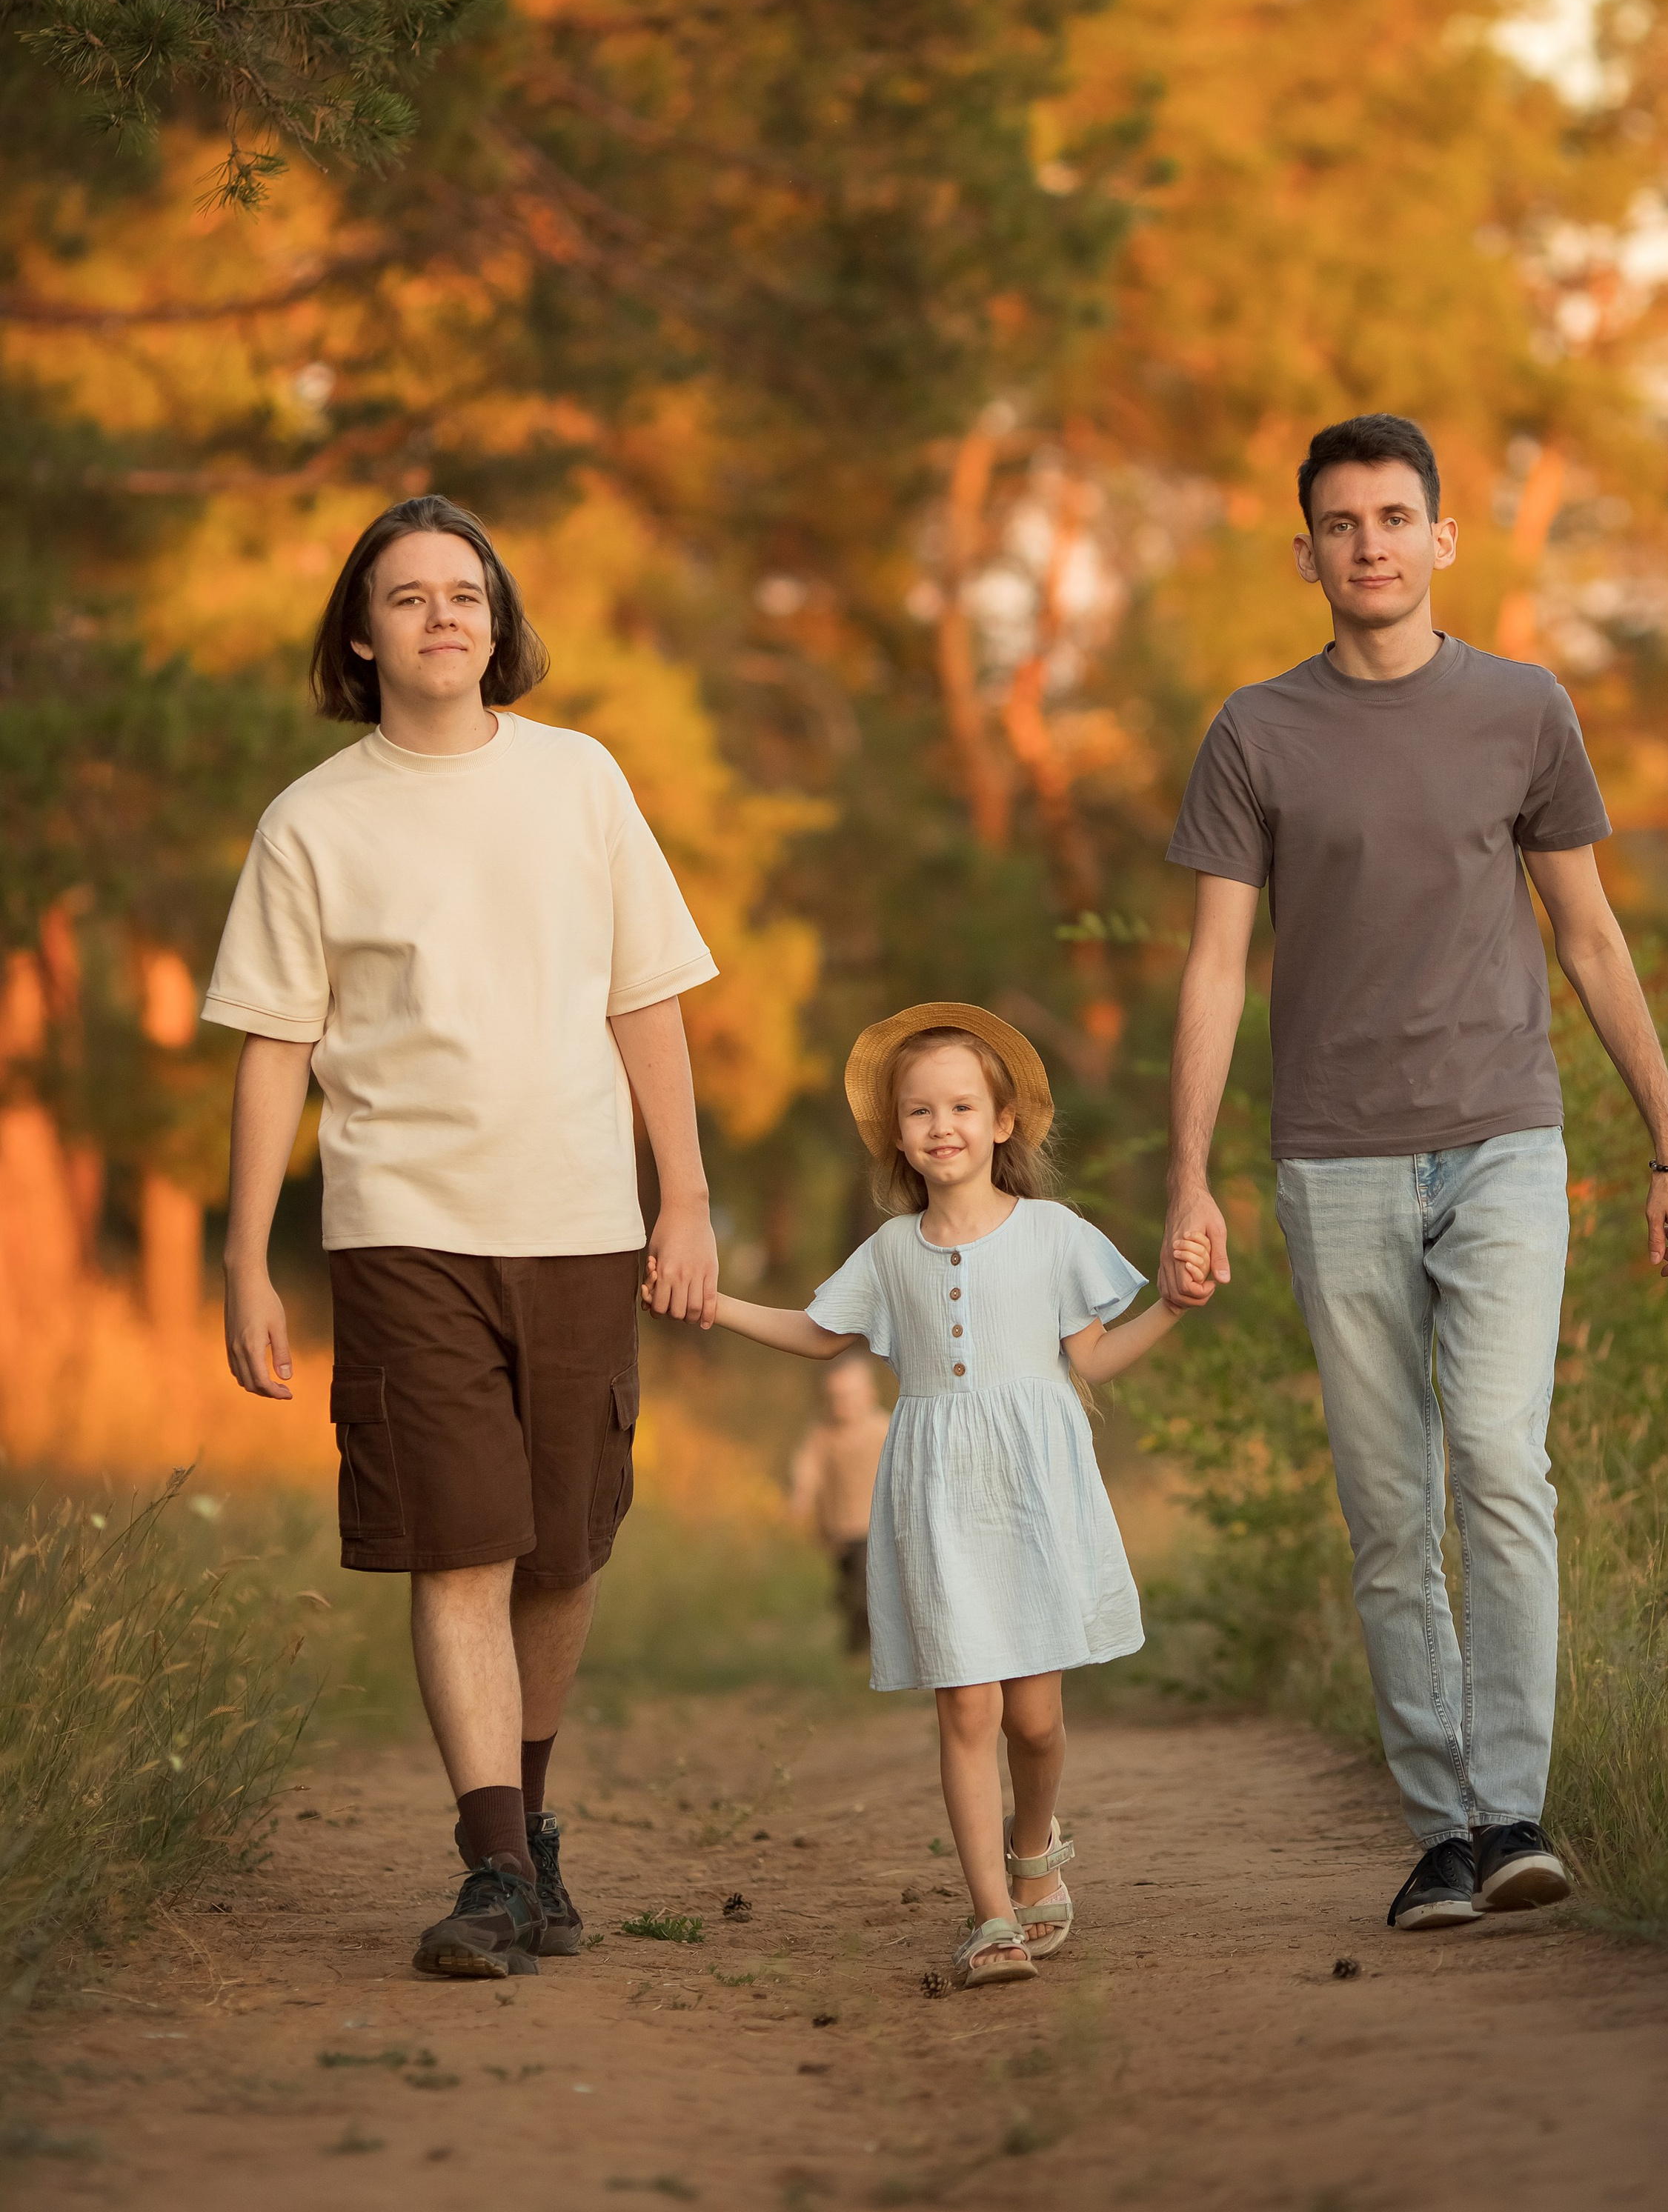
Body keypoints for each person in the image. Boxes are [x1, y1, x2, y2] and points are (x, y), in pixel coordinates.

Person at [1160, 414, 1668, 1935]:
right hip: (1332, 1164)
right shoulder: (1253, 734)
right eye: (1340, 524)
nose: (1370, 545)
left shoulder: (1521, 709)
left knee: (1495, 1460)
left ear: (1440, 540)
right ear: (1306, 554)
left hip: (1502, 1144)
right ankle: (1439, 1832)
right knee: (1387, 1500)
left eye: (1395, 517)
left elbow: (1587, 936)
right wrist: (1188, 1181)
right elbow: (1213, 969)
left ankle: (1513, 1806)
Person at [206, 494, 722, 1979]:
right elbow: (270, 1048)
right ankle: (491, 1861)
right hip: (401, 1227)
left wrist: (679, 1195)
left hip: (574, 1218)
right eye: (410, 596)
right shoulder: (313, 820)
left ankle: (530, 1833)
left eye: (466, 592)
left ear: (497, 623)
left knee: (559, 1551)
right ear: (360, 637)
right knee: (459, 1544)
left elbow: (647, 996)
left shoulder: (579, 782)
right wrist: (248, 1257)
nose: (444, 614)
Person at [700, 1002, 1209, 1988]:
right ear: (896, 1134)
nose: (943, 1126)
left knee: (1035, 1722)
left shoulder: (1055, 1234)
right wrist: (715, 1304)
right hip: (938, 1495)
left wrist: (1175, 1309)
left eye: (963, 1107)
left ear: (1004, 1122)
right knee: (966, 1707)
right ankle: (990, 1918)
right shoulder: (891, 1253)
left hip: (1034, 1490)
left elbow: (1095, 1362)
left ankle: (1033, 1849)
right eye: (921, 1111)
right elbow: (819, 1334)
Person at [787, 1351, 889, 1653]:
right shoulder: (823, 1431)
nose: (839, 1405)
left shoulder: (881, 1428)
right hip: (838, 1527)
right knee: (848, 1587)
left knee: (867, 1587)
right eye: (833, 1398)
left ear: (870, 1395)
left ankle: (868, 1645)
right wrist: (801, 1496)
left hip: (875, 1526)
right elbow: (808, 1465)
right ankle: (857, 1635)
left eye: (848, 1397)